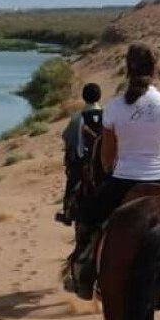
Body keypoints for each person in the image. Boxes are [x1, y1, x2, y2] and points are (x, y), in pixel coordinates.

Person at [66, 44, 160, 299]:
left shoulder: (115, 107)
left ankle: (84, 275)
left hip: (124, 180)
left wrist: (113, 169)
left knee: (87, 217)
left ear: (128, 69)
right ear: (155, 70)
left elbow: (107, 159)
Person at [56, 83, 103, 225]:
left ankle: (67, 213)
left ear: (84, 97)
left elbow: (67, 137)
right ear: (99, 97)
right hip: (104, 162)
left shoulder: (77, 118)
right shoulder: (108, 115)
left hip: (83, 162)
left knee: (72, 182)